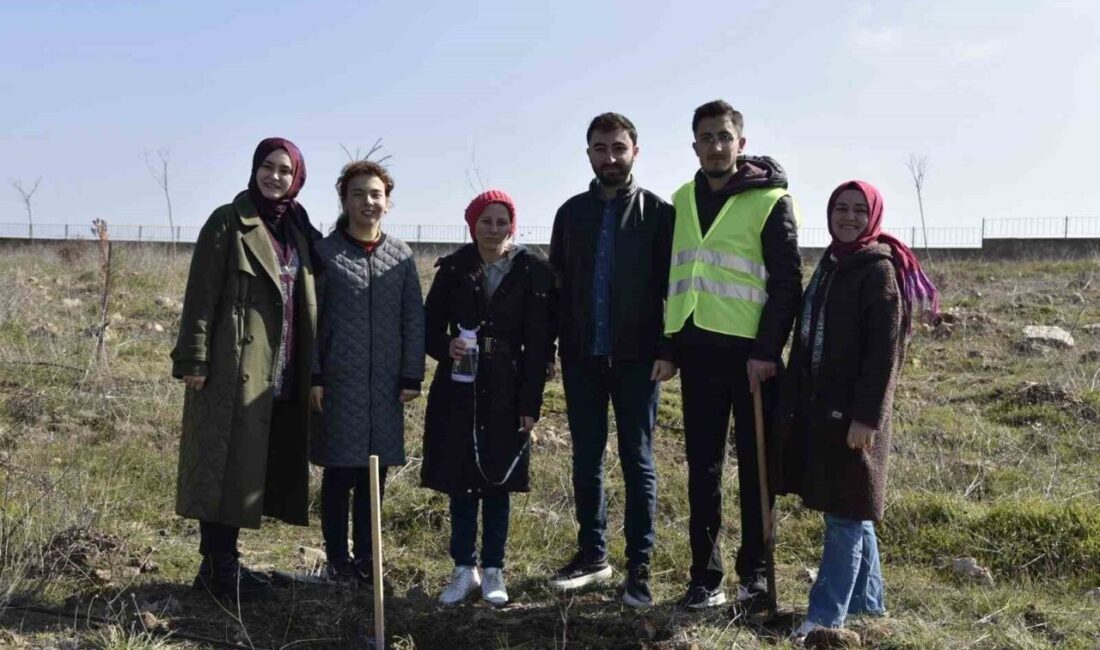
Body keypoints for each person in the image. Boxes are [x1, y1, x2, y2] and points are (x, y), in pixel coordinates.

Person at [779, 180, 937, 640]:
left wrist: (867, 417)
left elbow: (886, 354)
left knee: (845, 513)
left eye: (857, 210)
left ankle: (824, 619)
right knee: (854, 508)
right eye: (840, 208)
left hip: (855, 417)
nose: (847, 217)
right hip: (824, 411)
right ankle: (870, 607)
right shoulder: (831, 264)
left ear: (873, 216)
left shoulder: (878, 271)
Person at [665, 100, 803, 610]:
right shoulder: (681, 199)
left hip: (752, 360)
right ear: (695, 144)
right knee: (702, 468)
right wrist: (669, 346)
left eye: (725, 137)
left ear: (740, 144)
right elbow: (673, 278)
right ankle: (706, 576)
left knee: (755, 469)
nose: (716, 146)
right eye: (706, 137)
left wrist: (767, 351)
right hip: (698, 351)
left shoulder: (771, 200)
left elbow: (788, 284)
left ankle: (756, 574)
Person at [172, 137, 319, 600]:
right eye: (268, 167)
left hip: (284, 366)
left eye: (285, 170)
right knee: (223, 460)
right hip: (235, 363)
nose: (275, 177)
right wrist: (194, 358)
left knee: (246, 466)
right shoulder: (228, 222)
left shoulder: (298, 228)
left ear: (297, 178)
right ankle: (219, 567)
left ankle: (222, 564)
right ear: (255, 169)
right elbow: (201, 295)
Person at [547, 112, 676, 608]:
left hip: (637, 362)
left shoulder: (658, 214)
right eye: (601, 149)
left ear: (635, 152)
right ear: (589, 155)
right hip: (582, 358)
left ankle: (638, 566)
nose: (610, 158)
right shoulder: (570, 214)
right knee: (586, 460)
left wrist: (668, 349)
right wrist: (555, 352)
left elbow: (674, 289)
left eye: (619, 148)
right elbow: (557, 290)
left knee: (637, 461)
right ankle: (592, 555)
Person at [421, 189, 554, 606]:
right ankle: (464, 569)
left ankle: (494, 569)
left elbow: (540, 344)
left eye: (502, 221)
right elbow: (427, 329)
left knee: (499, 480)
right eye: (486, 221)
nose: (494, 229)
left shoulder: (533, 270)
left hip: (508, 387)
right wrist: (447, 347)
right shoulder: (454, 269)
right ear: (472, 224)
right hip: (459, 389)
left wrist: (530, 405)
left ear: (512, 225)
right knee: (461, 480)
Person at [309, 160, 425, 584]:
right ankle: (337, 560)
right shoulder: (324, 254)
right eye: (358, 194)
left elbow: (414, 317)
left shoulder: (401, 255)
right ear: (344, 200)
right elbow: (311, 321)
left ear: (388, 202)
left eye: (375, 194)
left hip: (386, 390)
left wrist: (411, 375)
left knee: (375, 477)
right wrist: (314, 376)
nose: (367, 202)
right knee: (340, 473)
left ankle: (368, 559)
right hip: (339, 384)